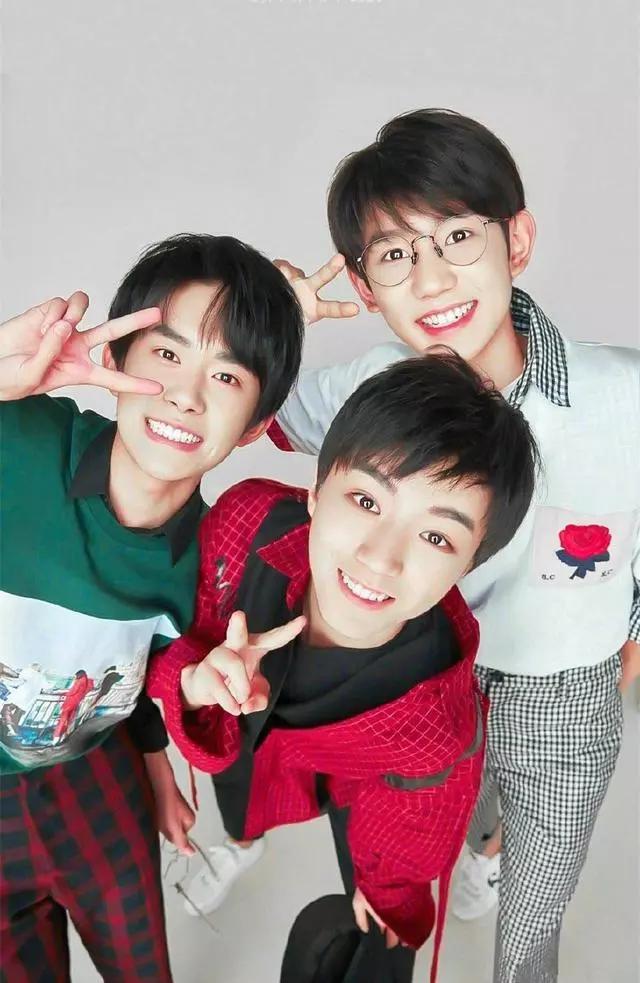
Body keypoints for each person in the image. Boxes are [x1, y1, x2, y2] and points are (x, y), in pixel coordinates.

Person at [267, 109, 640, 982]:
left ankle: (498, 854)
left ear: (518, 241)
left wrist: (628, 640)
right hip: (415, 680)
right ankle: (476, 844)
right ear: (366, 286)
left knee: (534, 913)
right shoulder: (368, 388)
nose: (432, 279)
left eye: (459, 237)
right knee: (403, 868)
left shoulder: (621, 393)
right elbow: (256, 410)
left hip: (560, 691)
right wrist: (278, 322)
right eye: (396, 254)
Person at [148, 353, 539, 983]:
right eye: (364, 499)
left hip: (365, 769)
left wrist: (386, 895)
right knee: (241, 796)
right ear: (315, 490)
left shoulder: (435, 721)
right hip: (248, 736)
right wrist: (195, 681)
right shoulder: (245, 524)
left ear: (468, 565)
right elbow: (162, 639)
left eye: (436, 537)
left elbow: (412, 828)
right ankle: (241, 845)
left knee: (366, 884)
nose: (379, 558)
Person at [0, 233, 304, 982]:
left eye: (226, 376)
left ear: (256, 424)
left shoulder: (215, 554)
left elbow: (143, 663)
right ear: (114, 358)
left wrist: (159, 759)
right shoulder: (19, 440)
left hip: (95, 776)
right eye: (167, 354)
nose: (186, 395)